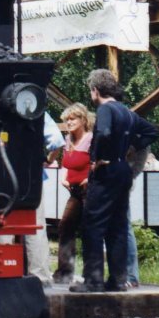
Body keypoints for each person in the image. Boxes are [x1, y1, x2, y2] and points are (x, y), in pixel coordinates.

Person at [70, 69, 158, 293]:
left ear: (95, 90)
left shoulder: (106, 109)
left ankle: (93, 280)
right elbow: (151, 132)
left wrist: (97, 159)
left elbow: (105, 133)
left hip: (106, 170)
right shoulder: (128, 112)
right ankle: (118, 280)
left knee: (93, 224)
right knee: (117, 226)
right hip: (123, 170)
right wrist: (131, 147)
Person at [52, 103, 93, 285]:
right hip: (74, 191)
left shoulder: (91, 139)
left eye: (72, 118)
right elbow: (65, 164)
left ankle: (91, 275)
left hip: (89, 192)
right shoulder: (68, 139)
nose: (69, 122)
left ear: (83, 120)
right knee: (65, 226)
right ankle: (65, 272)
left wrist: (89, 179)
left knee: (89, 230)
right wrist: (64, 178)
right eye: (66, 119)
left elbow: (97, 163)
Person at [25, 112, 64, 287]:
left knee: (3, 225)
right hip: (31, 174)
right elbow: (56, 140)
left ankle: (5, 272)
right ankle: (39, 276)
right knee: (35, 225)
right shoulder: (34, 108)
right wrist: (48, 160)